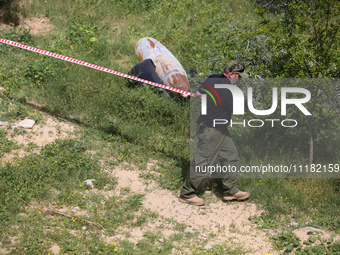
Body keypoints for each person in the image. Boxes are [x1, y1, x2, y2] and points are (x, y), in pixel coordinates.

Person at [179, 60, 250, 206]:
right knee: (203, 163)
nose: (240, 79)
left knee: (231, 157)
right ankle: (187, 193)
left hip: (220, 130)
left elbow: (198, 94)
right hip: (211, 131)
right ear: (231, 74)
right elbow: (237, 113)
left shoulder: (212, 78)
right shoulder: (228, 90)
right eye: (239, 76)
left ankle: (230, 190)